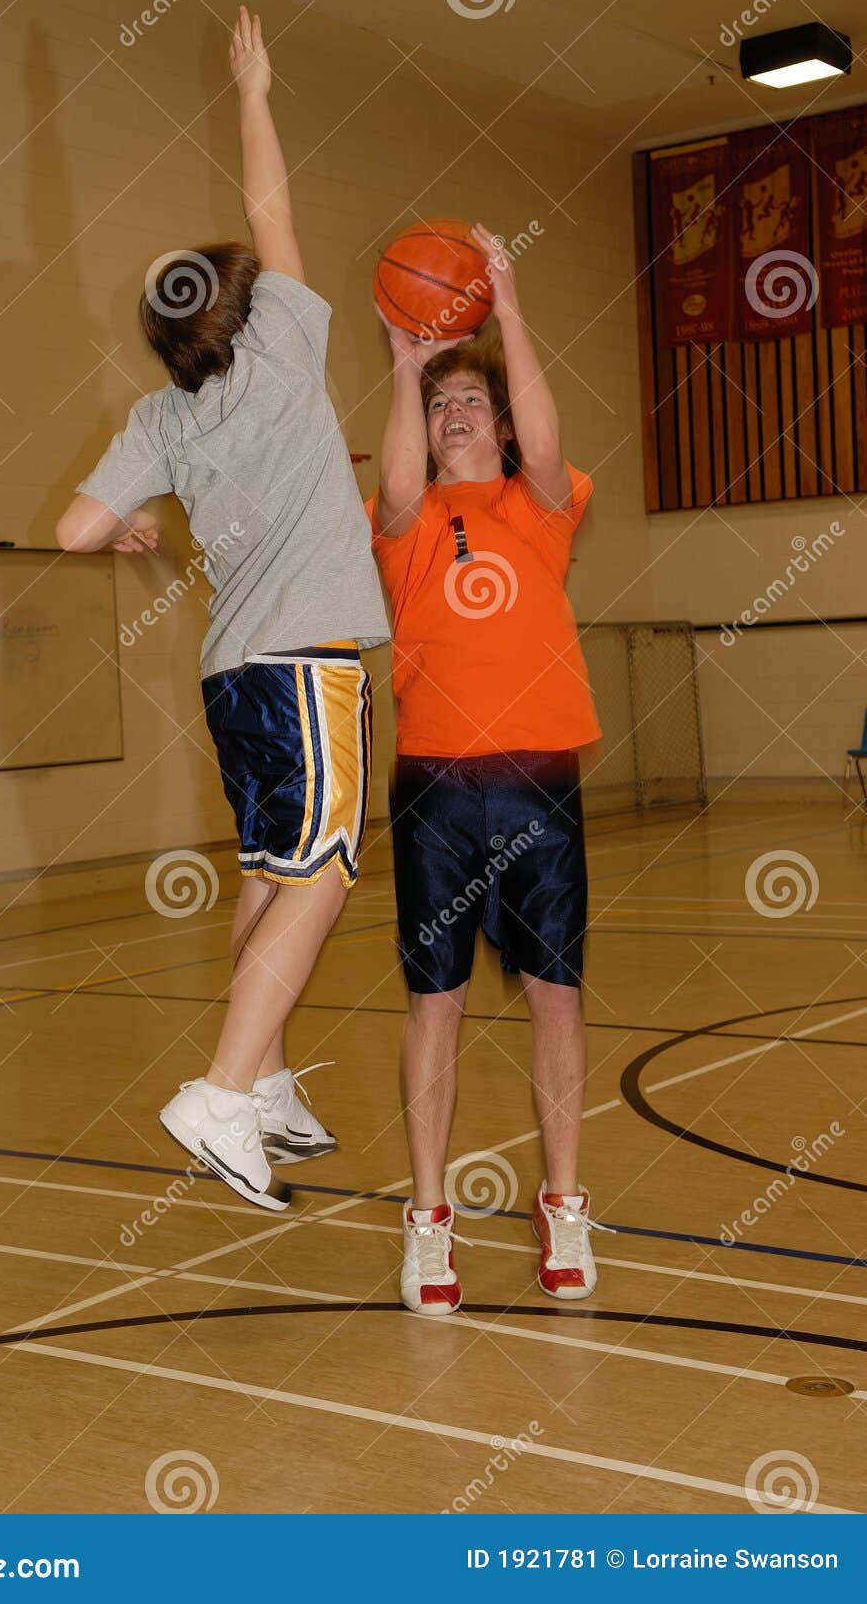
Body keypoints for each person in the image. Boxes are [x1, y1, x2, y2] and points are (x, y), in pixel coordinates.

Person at [57, 7, 389, 1212]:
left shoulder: (160, 419)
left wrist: (138, 524)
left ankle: (266, 1084)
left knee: (266, 867)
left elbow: (75, 532)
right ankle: (221, 1087)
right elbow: (270, 211)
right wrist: (253, 89)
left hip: (230, 674)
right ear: (241, 316)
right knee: (323, 874)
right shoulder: (287, 352)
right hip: (308, 662)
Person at [369, 224, 607, 1313]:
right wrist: (408, 363)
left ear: (501, 428)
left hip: (539, 781)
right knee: (438, 1004)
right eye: (438, 407)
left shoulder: (537, 508)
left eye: (473, 405)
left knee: (556, 1001)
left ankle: (563, 1204)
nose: (454, 415)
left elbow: (551, 447)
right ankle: (429, 1223)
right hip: (435, 789)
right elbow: (396, 478)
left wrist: (505, 312)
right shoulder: (405, 523)